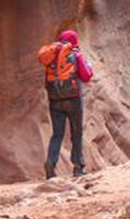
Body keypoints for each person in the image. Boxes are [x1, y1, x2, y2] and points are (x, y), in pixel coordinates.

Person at [37, 28, 94, 178]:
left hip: (55, 99)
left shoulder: (52, 54)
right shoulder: (75, 53)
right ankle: (78, 167)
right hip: (73, 99)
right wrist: (88, 65)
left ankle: (50, 164)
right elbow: (86, 76)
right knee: (76, 133)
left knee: (57, 134)